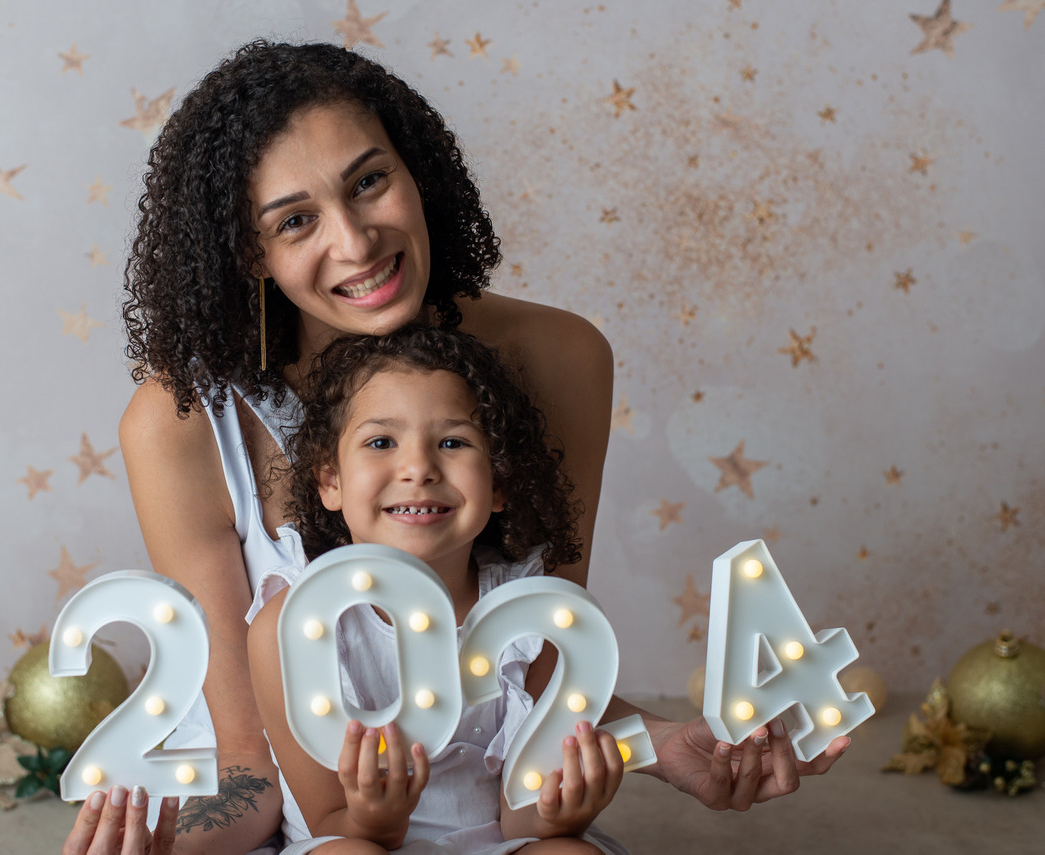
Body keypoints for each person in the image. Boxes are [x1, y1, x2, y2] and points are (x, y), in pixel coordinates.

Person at [62, 39, 847, 855]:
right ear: (249, 254)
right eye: (296, 221)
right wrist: (167, 849)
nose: (358, 243)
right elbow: (250, 769)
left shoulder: (560, 360)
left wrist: (661, 747)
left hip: (497, 812)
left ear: (418, 171)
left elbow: (535, 680)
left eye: (370, 181)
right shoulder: (181, 424)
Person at [249, 324, 627, 854]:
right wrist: (376, 819)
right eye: (381, 442)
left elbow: (519, 822)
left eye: (452, 442)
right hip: (360, 839)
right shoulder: (296, 626)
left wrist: (561, 813)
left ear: (498, 485)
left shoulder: (531, 618)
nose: (419, 468)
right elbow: (324, 818)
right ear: (330, 480)